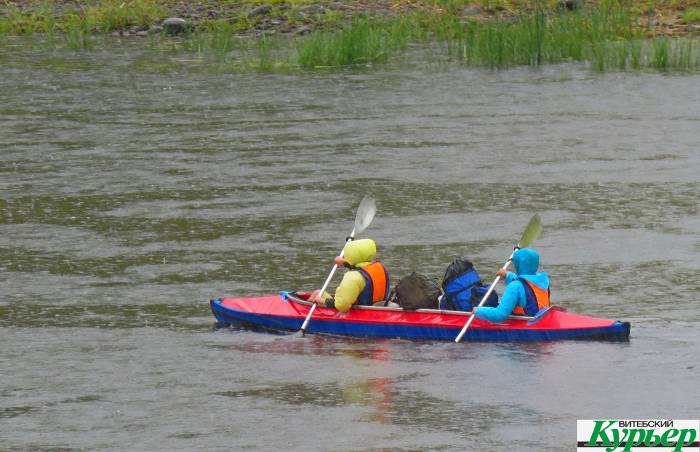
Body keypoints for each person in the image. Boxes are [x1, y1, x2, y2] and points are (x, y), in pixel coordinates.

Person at [308, 238, 390, 312]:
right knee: (318, 293)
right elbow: (361, 269)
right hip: (378, 308)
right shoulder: (380, 267)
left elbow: (342, 306)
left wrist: (323, 301)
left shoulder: (353, 277)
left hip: (360, 312)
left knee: (318, 294)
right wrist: (345, 263)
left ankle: (305, 313)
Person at [472, 247, 550, 323]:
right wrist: (507, 275)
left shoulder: (515, 286)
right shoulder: (543, 280)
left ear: (519, 265)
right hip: (541, 319)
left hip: (525, 325)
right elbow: (526, 284)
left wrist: (477, 310)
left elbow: (499, 315)